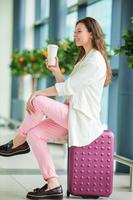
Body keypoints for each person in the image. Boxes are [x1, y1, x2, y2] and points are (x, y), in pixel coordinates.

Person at [0, 17, 112, 199]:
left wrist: (38, 92)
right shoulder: (85, 59)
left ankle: (18, 142)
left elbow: (68, 88)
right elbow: (69, 91)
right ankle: (53, 184)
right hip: (72, 115)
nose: (75, 35)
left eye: (79, 31)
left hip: (81, 118)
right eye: (75, 31)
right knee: (35, 134)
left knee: (38, 100)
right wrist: (56, 71)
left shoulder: (94, 60)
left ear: (91, 34)